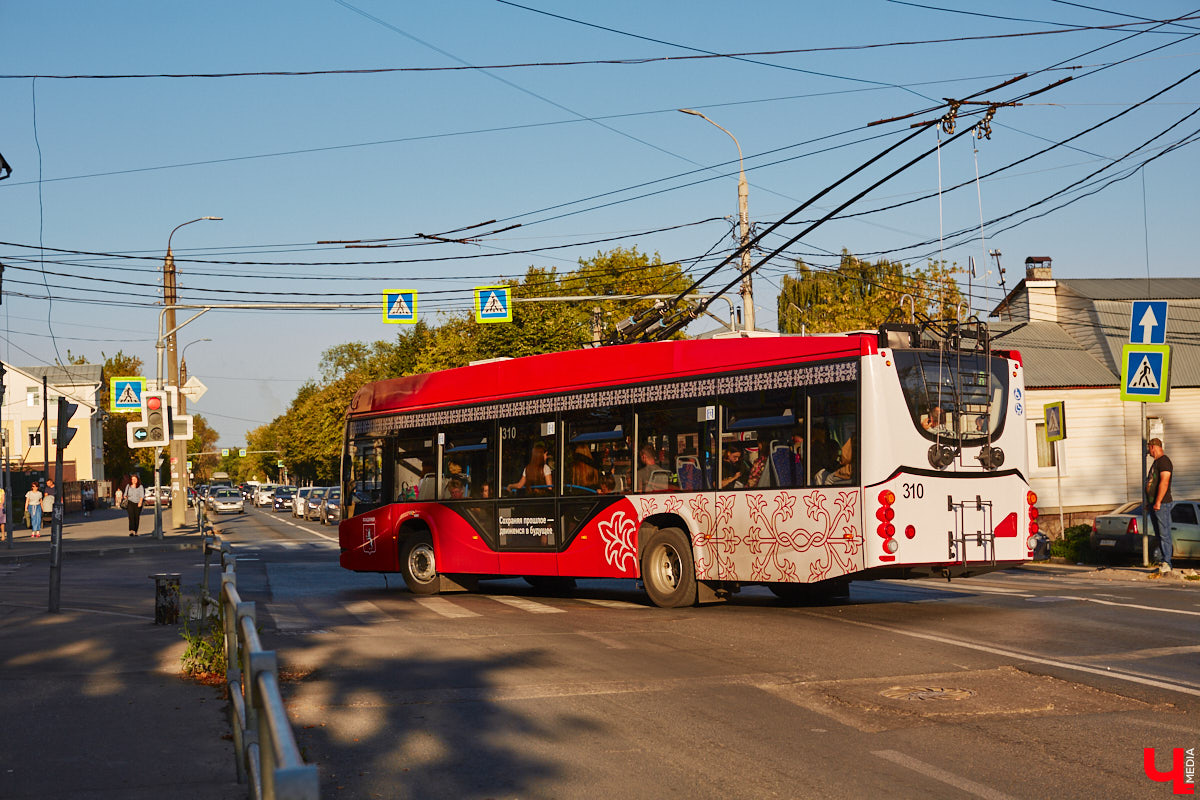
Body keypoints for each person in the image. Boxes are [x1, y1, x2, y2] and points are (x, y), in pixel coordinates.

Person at [1146, 438, 1175, 574]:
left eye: (1149, 448)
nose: (1148, 451)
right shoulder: (1156, 462)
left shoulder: (1164, 461)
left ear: (1153, 447)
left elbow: (1164, 482)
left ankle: (1167, 563)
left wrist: (1158, 501)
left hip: (1162, 504)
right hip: (1154, 504)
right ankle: (1164, 562)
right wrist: (1149, 503)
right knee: (1159, 534)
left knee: (1164, 534)